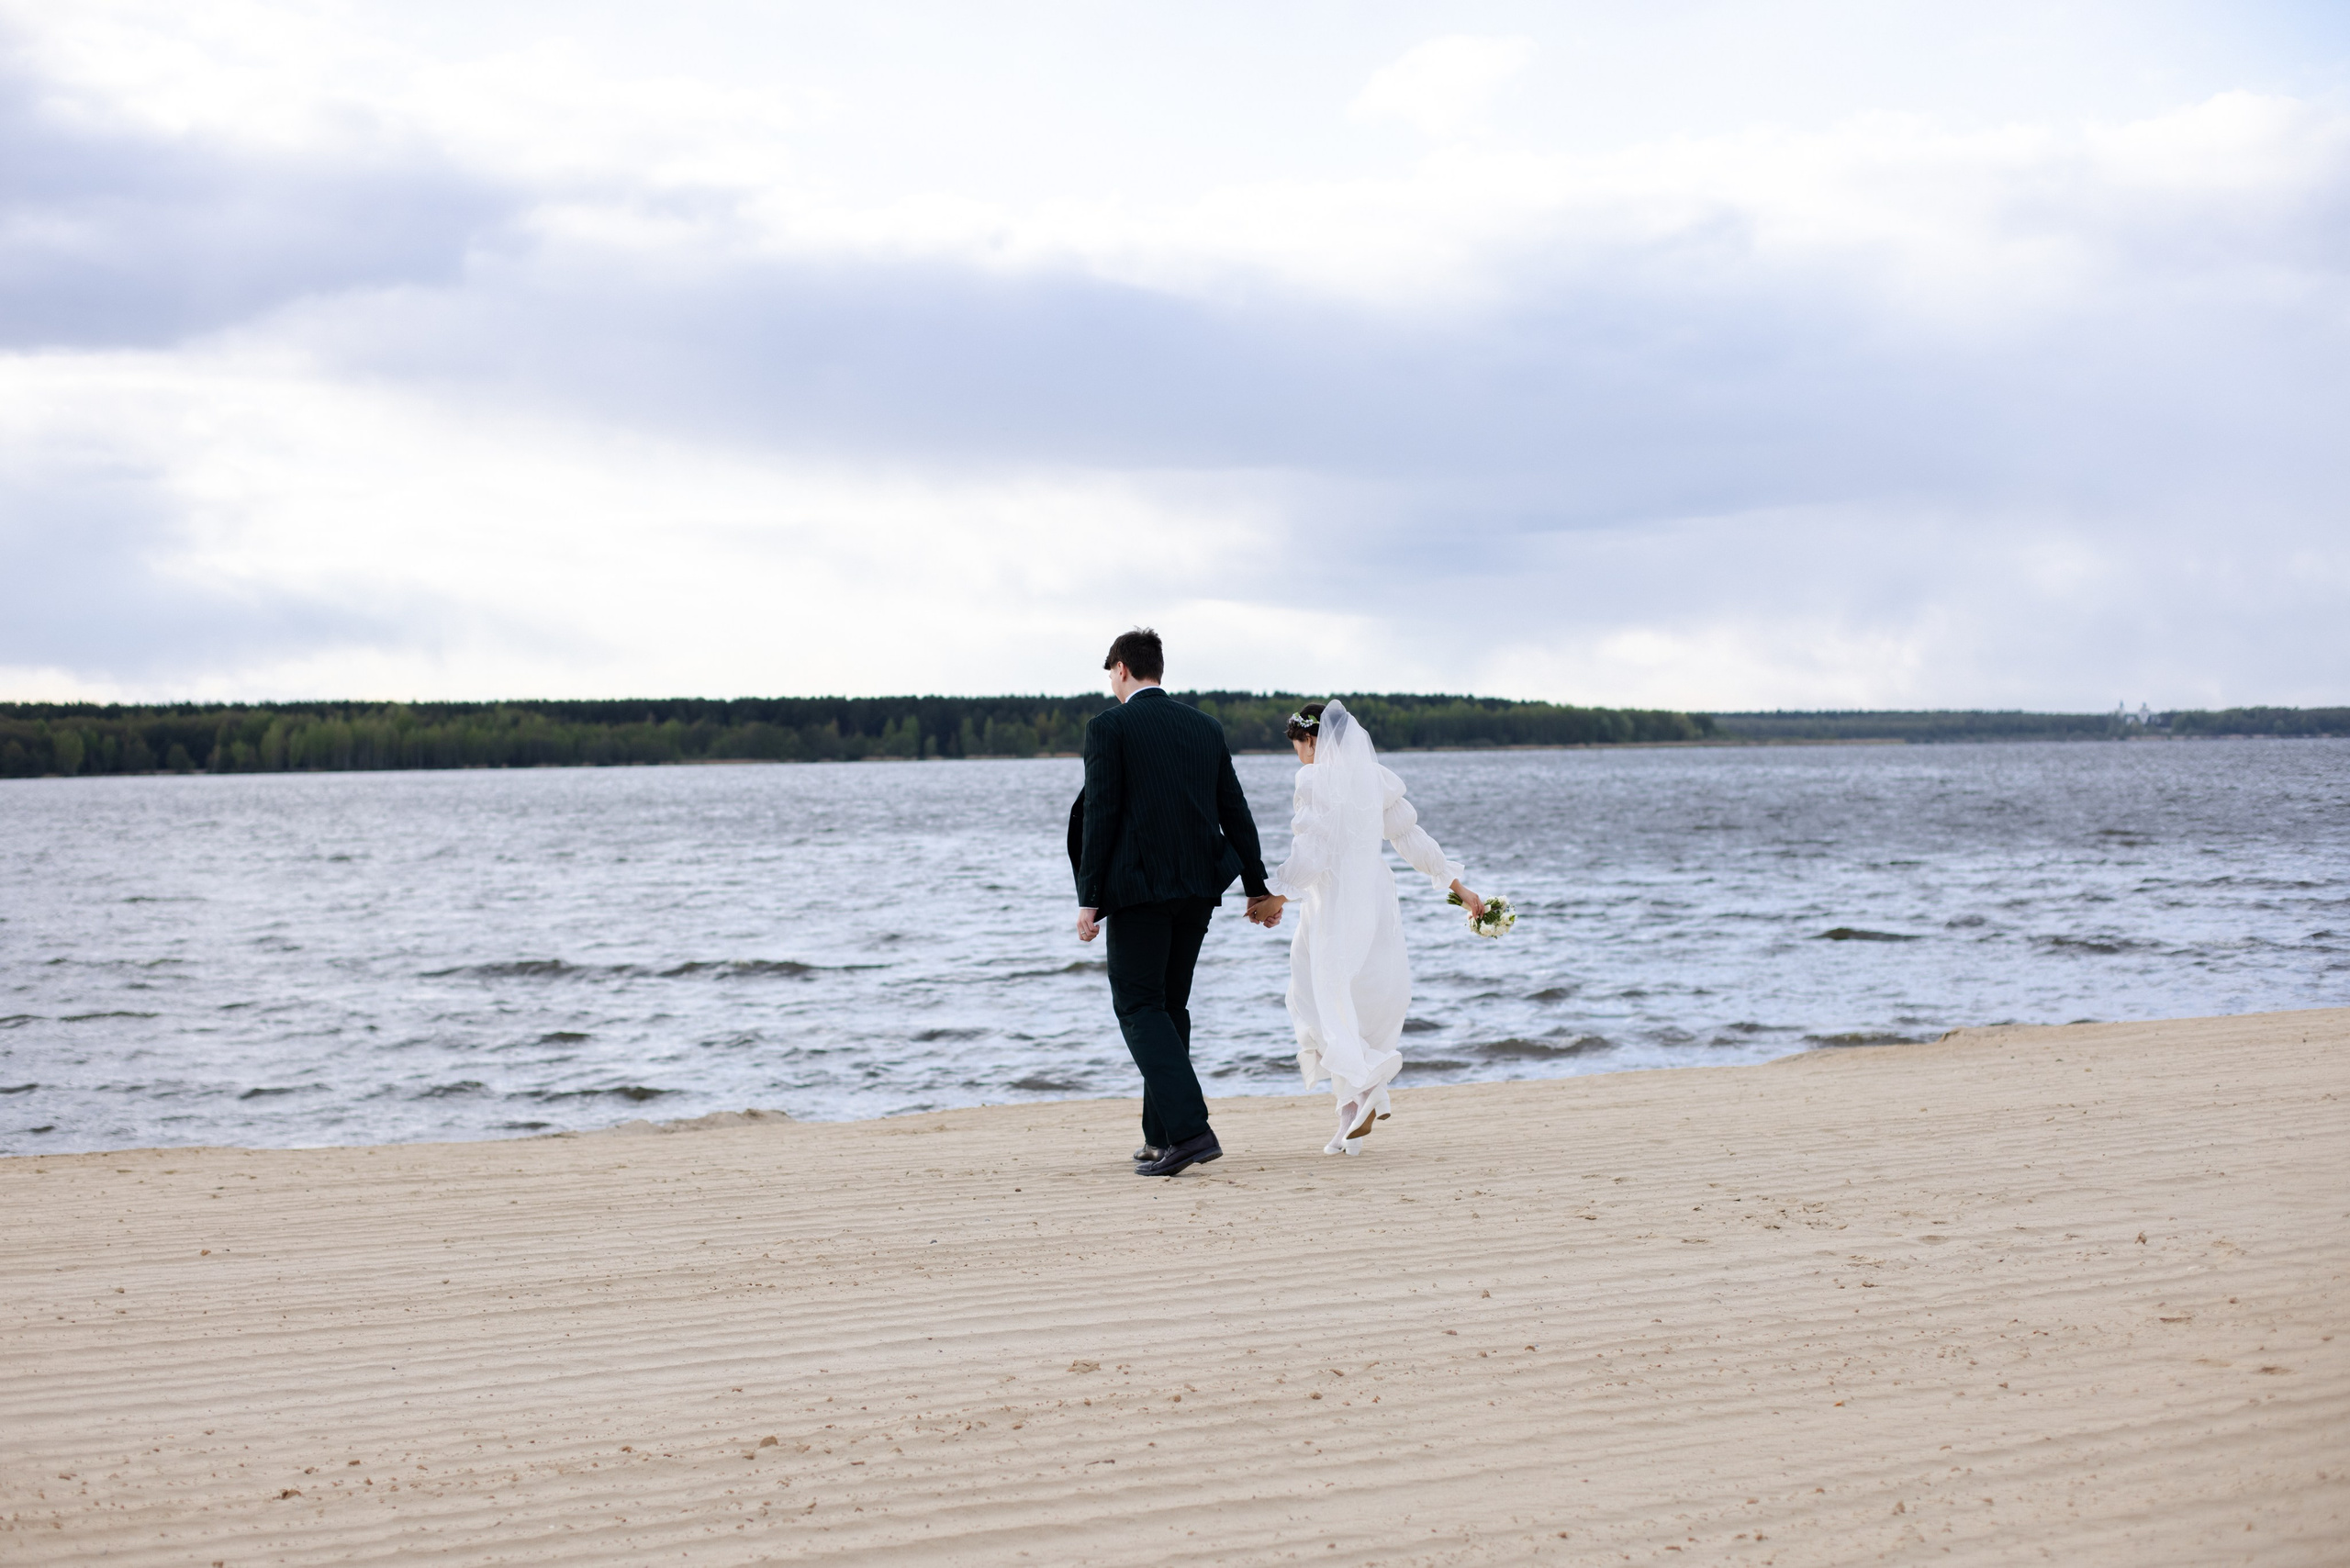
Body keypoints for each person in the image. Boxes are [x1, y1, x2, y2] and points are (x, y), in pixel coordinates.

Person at [1073, 628, 1272, 1177]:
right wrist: (1256, 888)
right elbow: (1236, 812)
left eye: (1110, 673)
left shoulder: (1108, 727)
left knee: (1138, 1007)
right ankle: (1160, 1136)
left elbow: (1101, 815)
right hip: (1198, 891)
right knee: (1169, 1007)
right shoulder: (1203, 727)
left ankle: (1189, 1132)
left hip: (1140, 892)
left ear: (1120, 670)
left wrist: (1089, 899)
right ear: (1156, 668)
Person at [1247, 700, 1483, 1155]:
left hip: (1334, 901)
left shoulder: (1312, 778)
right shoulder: (1374, 778)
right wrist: (1459, 887)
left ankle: (1368, 1081)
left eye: (1299, 745)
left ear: (1311, 740)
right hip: (1372, 899)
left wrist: (1276, 894)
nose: (1299, 754)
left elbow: (1313, 849)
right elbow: (1410, 838)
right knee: (1346, 1000)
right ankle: (1352, 1109)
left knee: (1315, 999)